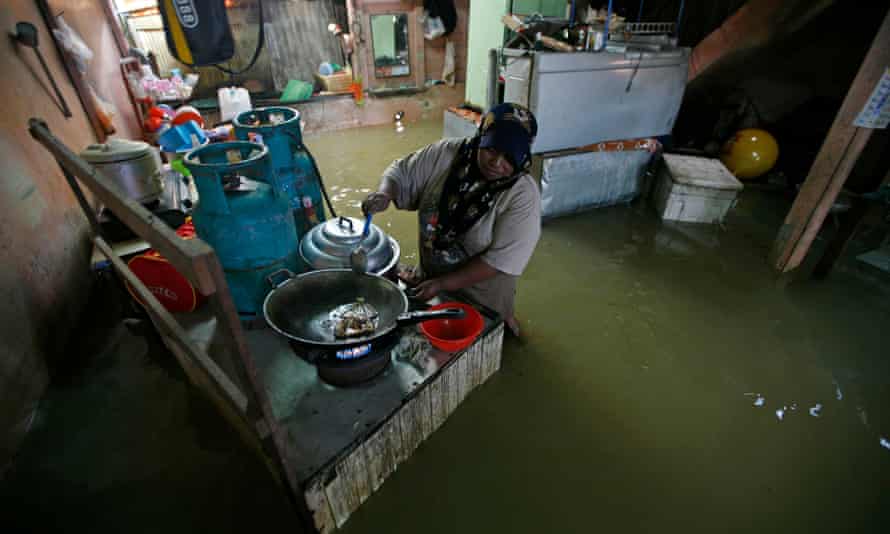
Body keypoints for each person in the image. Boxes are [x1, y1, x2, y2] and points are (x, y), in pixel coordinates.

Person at [361, 103, 541, 336]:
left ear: (523, 156)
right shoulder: (447, 154)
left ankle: (502, 324)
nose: (497, 163)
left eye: (509, 157)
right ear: (481, 137)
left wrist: (443, 284)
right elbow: (399, 172)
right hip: (430, 284)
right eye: (491, 149)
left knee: (483, 344)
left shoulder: (522, 195)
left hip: (481, 301)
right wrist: (385, 193)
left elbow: (499, 261)